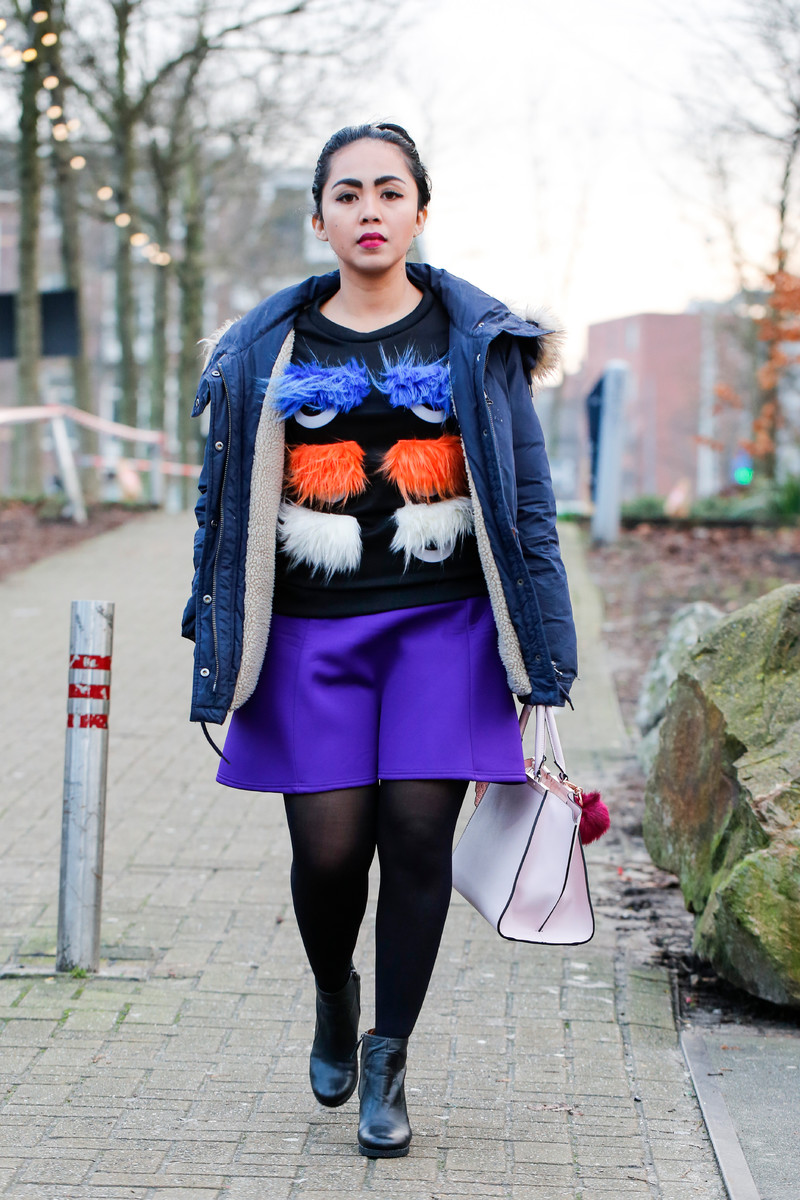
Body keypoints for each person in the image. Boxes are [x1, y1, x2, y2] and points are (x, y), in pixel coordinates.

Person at [182, 122, 577, 1159]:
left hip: (445, 629)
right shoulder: (262, 348)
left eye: (389, 192)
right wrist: (209, 631)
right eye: (348, 193)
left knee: (413, 841)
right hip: (307, 635)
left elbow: (529, 506)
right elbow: (221, 509)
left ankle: (389, 1056)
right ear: (319, 218)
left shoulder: (476, 339)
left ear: (418, 213)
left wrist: (545, 654)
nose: (369, 209)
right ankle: (332, 991)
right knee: (326, 854)